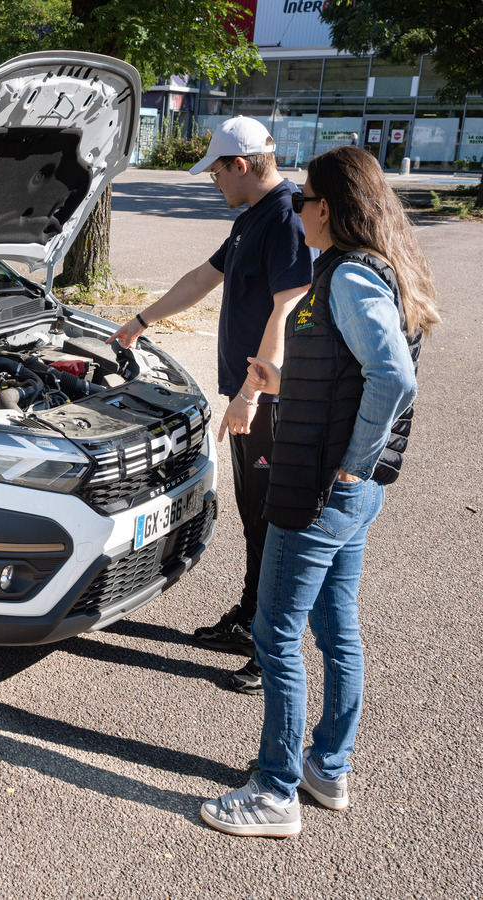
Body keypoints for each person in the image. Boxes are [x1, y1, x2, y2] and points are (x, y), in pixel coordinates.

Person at [200, 145, 438, 837]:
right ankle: (327, 768)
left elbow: (392, 378)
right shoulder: (361, 269)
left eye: (305, 200)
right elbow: (348, 370)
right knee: (335, 626)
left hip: (319, 490)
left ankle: (275, 792)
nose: (298, 209)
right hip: (342, 494)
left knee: (275, 632)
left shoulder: (350, 276)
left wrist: (354, 463)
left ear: (327, 208)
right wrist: (283, 381)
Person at [108, 117, 312, 694]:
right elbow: (204, 277)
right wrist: (142, 320)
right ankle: (249, 620)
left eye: (216, 172)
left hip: (270, 403)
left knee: (275, 525)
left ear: (240, 165)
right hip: (251, 400)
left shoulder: (286, 219)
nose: (213, 182)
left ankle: (271, 652)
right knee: (255, 518)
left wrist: (251, 394)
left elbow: (288, 308)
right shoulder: (252, 217)